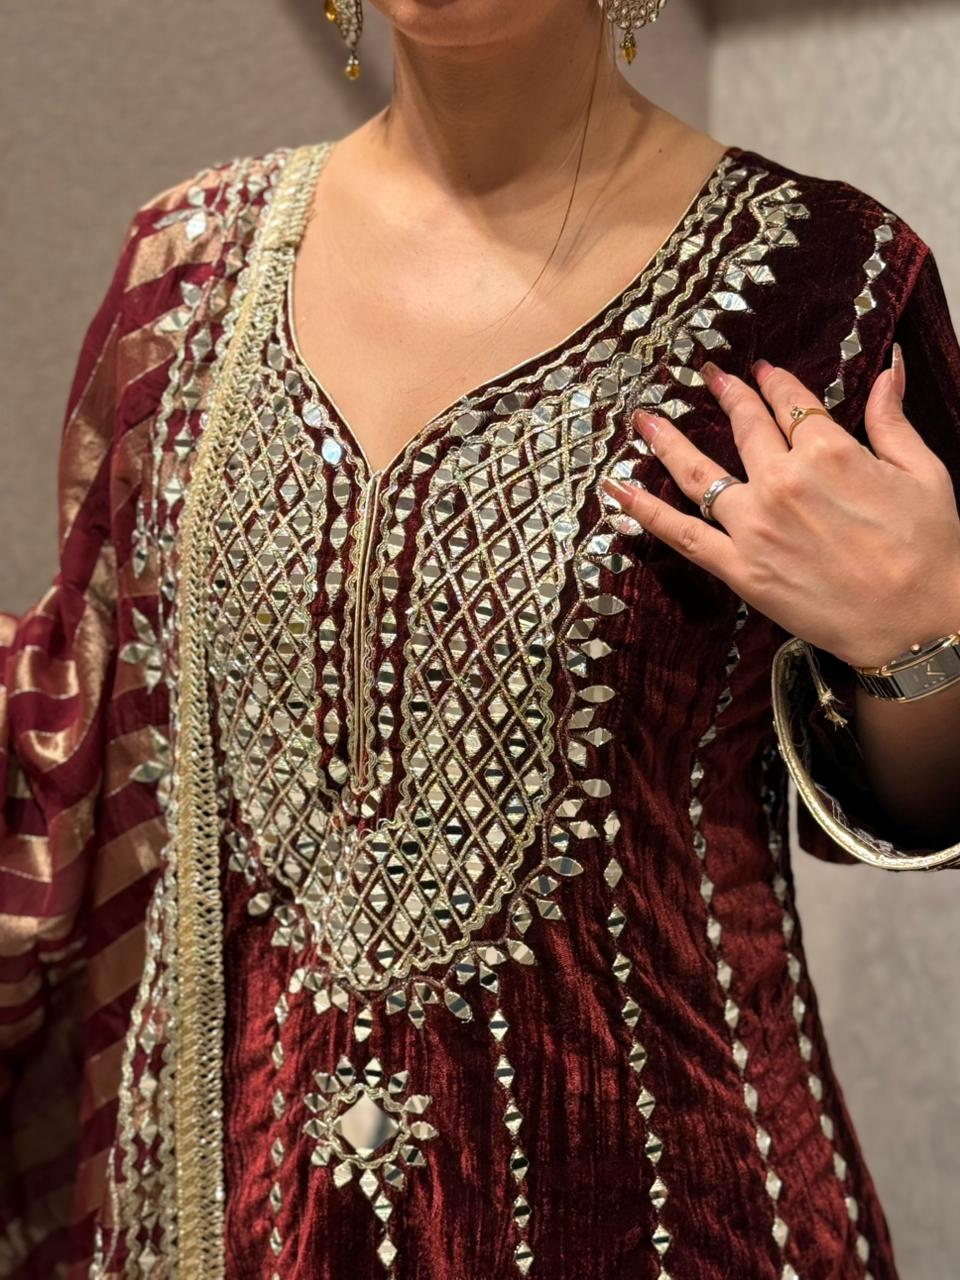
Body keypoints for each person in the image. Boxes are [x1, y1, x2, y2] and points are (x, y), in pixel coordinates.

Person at [2, 0, 960, 1276]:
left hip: (665, 1211)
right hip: (249, 1220)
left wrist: (924, 635)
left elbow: (928, 798)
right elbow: (76, 738)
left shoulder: (827, 281)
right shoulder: (184, 266)